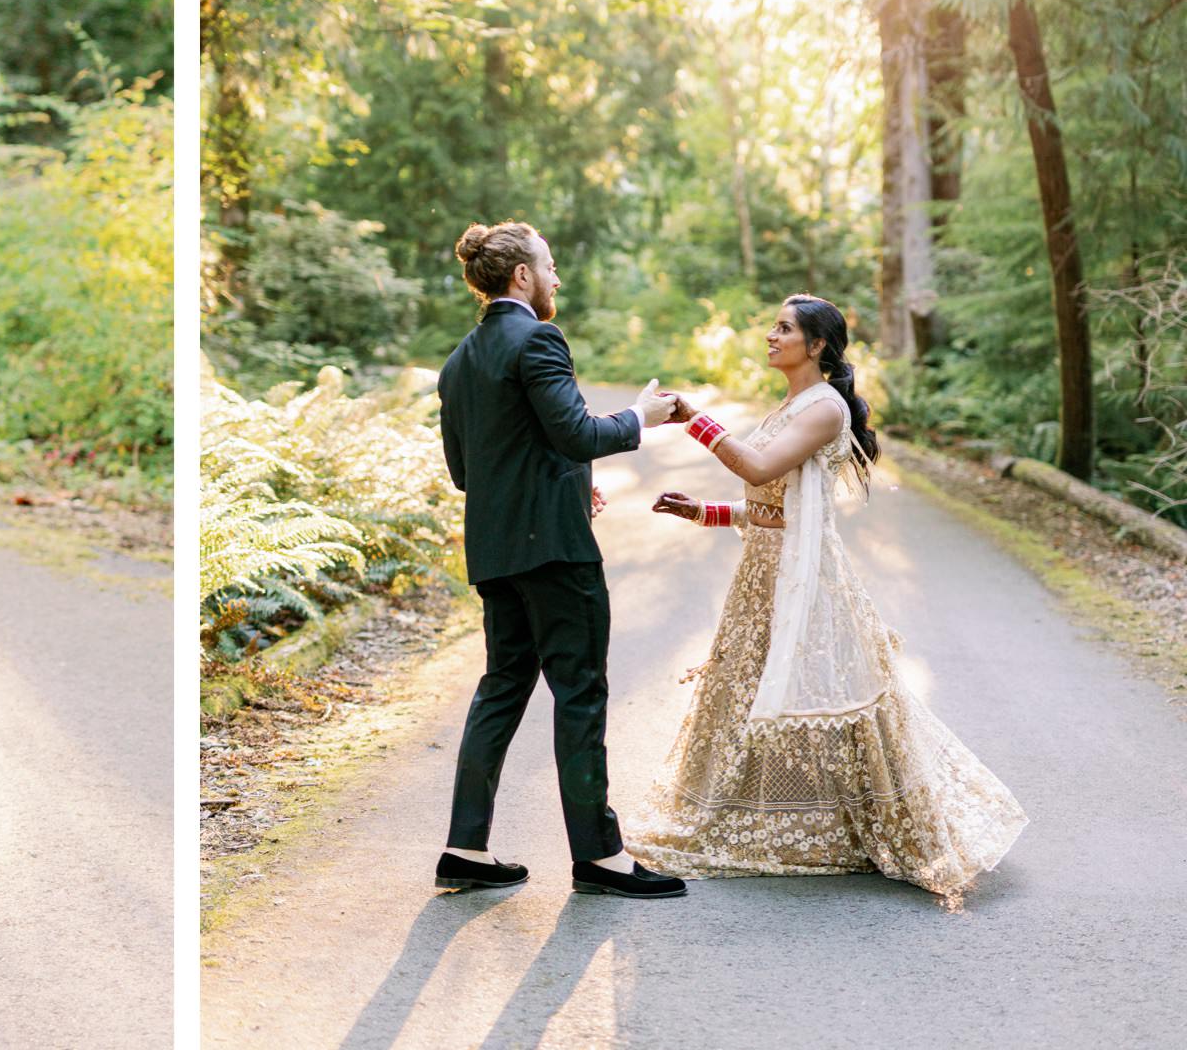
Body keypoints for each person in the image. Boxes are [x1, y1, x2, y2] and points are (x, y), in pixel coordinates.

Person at [623, 294, 1028, 901]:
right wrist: (704, 511)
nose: (770, 335)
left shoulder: (824, 409)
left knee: (825, 695)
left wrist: (694, 417)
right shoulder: (791, 403)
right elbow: (775, 505)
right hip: (762, 574)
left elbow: (759, 469)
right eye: (773, 326)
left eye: (784, 329)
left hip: (805, 579)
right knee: (748, 693)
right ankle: (753, 815)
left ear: (817, 346)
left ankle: (843, 827)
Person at [433, 220, 689, 901]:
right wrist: (642, 416)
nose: (556, 279)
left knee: (502, 688)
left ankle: (464, 847)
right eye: (549, 267)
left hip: (495, 554)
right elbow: (574, 433)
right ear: (522, 276)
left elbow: (472, 471)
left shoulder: (458, 361)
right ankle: (600, 857)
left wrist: (566, 483)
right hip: (555, 555)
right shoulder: (539, 337)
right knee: (579, 693)